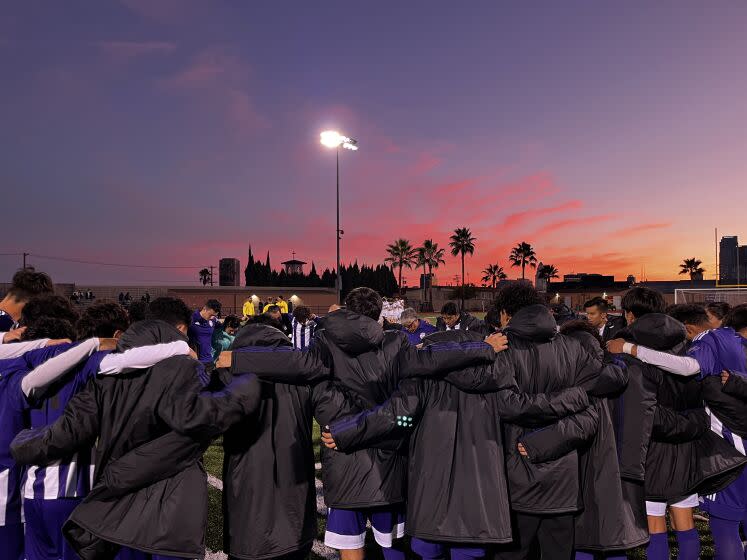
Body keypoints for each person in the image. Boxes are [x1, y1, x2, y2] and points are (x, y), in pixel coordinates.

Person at [219, 287, 501, 560]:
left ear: (347, 309)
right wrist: (483, 347)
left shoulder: (324, 342)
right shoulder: (396, 342)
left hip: (343, 459)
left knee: (351, 544)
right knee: (393, 545)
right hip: (388, 459)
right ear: (379, 313)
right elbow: (427, 365)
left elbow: (297, 363)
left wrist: (241, 358)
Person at [11, 297, 261, 560]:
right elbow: (197, 418)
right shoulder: (183, 365)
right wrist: (244, 386)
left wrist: (20, 442)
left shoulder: (107, 369)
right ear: (182, 330)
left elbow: (67, 433)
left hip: (118, 505)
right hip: (171, 506)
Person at [322, 326, 593, 559]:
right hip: (481, 489)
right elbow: (519, 411)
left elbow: (400, 417)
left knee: (430, 549)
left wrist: (349, 431)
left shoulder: (423, 375)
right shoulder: (498, 376)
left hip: (432, 488)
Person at [16, 303, 191, 560]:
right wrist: (182, 347)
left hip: (30, 489)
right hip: (70, 489)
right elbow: (125, 361)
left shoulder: (22, 367)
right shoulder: (88, 365)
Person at [605, 289, 745, 560]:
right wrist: (693, 423)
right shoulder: (689, 344)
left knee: (656, 524)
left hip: (654, 450)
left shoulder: (632, 352)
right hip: (690, 447)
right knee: (685, 521)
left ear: (630, 315)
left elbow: (646, 412)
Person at [473, 283, 604, 560]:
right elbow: (589, 406)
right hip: (563, 476)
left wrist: (540, 443)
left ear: (506, 314)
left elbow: (505, 405)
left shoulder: (502, 348)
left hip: (515, 475)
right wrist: (570, 400)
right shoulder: (573, 348)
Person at [188, 299, 222, 365]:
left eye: (214, 316)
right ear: (205, 309)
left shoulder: (213, 320)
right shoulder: (191, 318)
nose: (212, 317)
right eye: (210, 315)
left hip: (209, 361)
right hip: (194, 361)